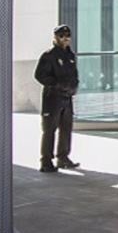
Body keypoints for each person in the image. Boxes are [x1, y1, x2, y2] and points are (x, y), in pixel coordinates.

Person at [34, 25, 80, 173]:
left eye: (67, 36)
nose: (65, 39)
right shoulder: (49, 55)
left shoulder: (70, 55)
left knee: (66, 129)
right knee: (49, 130)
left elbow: (74, 75)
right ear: (55, 37)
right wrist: (57, 84)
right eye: (62, 36)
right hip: (53, 98)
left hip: (67, 98)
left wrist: (74, 86)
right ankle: (46, 161)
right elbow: (40, 75)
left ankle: (63, 157)